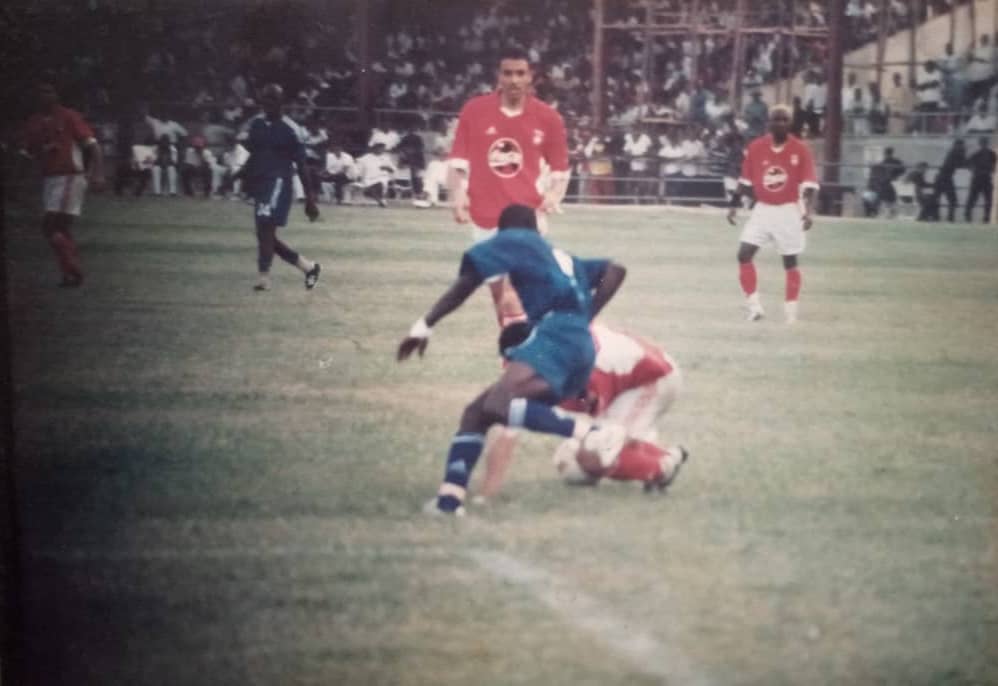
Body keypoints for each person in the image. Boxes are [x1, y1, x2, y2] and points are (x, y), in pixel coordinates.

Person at [397, 204, 628, 516]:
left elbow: (466, 283)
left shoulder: (515, 239)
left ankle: (593, 434)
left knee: (497, 404)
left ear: (505, 230)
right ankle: (449, 501)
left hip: (555, 338)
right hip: (578, 345)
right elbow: (615, 271)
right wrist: (586, 315)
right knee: (477, 413)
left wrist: (424, 325)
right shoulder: (561, 257)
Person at [478, 321, 688, 498]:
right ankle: (657, 453)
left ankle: (663, 466)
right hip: (636, 375)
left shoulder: (583, 369)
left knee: (593, 455)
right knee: (573, 463)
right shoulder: (557, 341)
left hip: (654, 379)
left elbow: (598, 426)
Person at [446, 46, 571, 329]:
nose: (514, 79)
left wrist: (552, 196)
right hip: (485, 216)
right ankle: (515, 352)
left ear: (531, 77)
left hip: (528, 217)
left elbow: (561, 171)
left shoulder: (548, 118)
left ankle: (534, 354)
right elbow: (456, 164)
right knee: (500, 297)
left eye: (520, 73)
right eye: (508, 73)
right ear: (498, 76)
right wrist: (458, 196)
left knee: (519, 292)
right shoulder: (475, 110)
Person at [727, 105, 819, 324]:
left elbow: (811, 185)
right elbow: (745, 180)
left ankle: (790, 311)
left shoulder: (800, 149)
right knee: (743, 254)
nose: (780, 123)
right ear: (769, 123)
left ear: (790, 123)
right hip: (763, 210)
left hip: (789, 210)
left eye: (784, 120)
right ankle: (754, 307)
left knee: (789, 261)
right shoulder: (757, 147)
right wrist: (733, 204)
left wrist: (808, 213)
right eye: (776, 119)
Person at [235, 83, 321, 292]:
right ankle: (308, 267)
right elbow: (252, 153)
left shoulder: (291, 129)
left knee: (265, 229)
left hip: (279, 183)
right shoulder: (256, 125)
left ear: (282, 102)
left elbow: (301, 165)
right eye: (265, 99)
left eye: (273, 99)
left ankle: (264, 278)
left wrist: (310, 199)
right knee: (264, 235)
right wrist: (240, 175)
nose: (268, 103)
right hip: (260, 183)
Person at [18, 82, 104, 287]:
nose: (44, 95)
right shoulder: (34, 122)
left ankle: (75, 268)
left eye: (49, 91)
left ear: (57, 95)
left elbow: (93, 146)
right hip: (49, 180)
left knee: (50, 226)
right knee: (61, 229)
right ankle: (70, 274)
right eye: (40, 91)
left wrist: (98, 174)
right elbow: (27, 154)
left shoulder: (69, 116)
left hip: (69, 177)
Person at [863, 147, 905, 217]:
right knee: (885, 200)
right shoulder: (885, 163)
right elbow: (902, 169)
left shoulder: (885, 163)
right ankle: (887, 213)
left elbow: (901, 169)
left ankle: (884, 213)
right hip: (881, 186)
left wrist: (893, 176)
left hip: (880, 186)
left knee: (883, 200)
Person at [932, 139, 966, 222]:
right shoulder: (955, 152)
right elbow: (962, 164)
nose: (962, 147)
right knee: (952, 200)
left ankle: (939, 217)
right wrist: (964, 153)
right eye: (961, 146)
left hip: (943, 177)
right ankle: (947, 218)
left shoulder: (953, 152)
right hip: (945, 178)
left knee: (938, 199)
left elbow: (961, 163)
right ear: (957, 145)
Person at [964, 137, 996, 223]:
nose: (984, 145)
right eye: (983, 143)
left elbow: (967, 163)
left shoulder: (989, 154)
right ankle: (969, 215)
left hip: (982, 178)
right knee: (975, 198)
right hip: (979, 178)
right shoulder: (981, 154)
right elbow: (967, 163)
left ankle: (985, 217)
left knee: (987, 199)